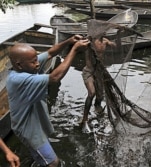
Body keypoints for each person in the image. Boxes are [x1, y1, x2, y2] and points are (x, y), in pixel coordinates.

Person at [6, 35, 90, 167]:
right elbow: (55, 77)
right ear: (19, 65)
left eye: (36, 59)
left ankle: (38, 159)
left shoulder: (26, 64)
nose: (38, 64)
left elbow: (51, 53)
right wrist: (74, 50)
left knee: (39, 153)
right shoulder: (19, 80)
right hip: (28, 128)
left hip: (34, 120)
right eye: (34, 62)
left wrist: (69, 41)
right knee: (53, 163)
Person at [81, 36, 116, 133]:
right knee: (91, 93)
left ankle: (98, 110)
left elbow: (115, 46)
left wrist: (119, 35)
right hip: (89, 71)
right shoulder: (89, 42)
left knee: (100, 96)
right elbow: (81, 44)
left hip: (99, 71)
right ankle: (84, 119)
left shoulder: (105, 41)